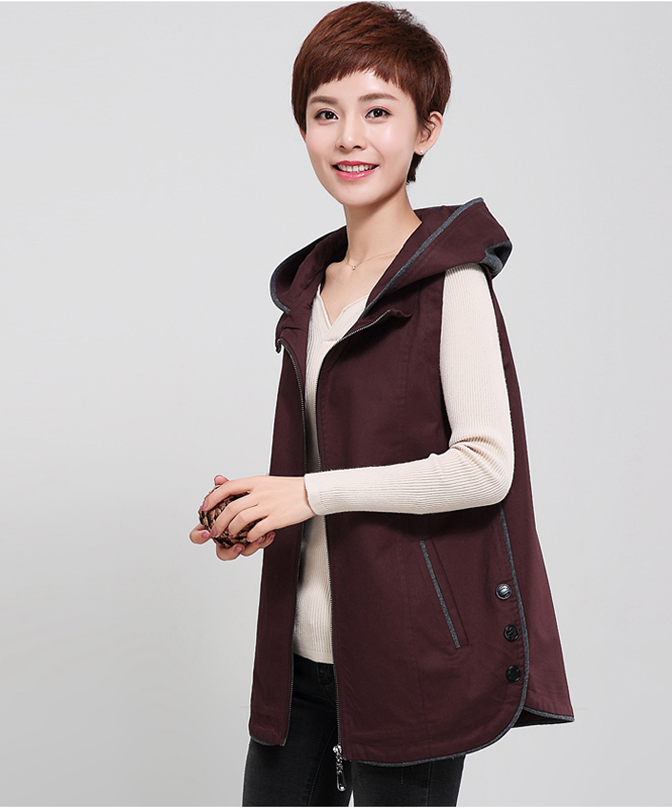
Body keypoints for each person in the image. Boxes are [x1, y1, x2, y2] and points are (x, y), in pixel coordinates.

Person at [190, 3, 573, 805]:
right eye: (325, 113)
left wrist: (307, 494)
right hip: (299, 657)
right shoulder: (310, 289)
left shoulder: (451, 282)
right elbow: (322, 466)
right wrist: (258, 511)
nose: (348, 138)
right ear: (303, 130)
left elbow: (485, 466)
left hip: (410, 659)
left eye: (377, 112)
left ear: (426, 130)